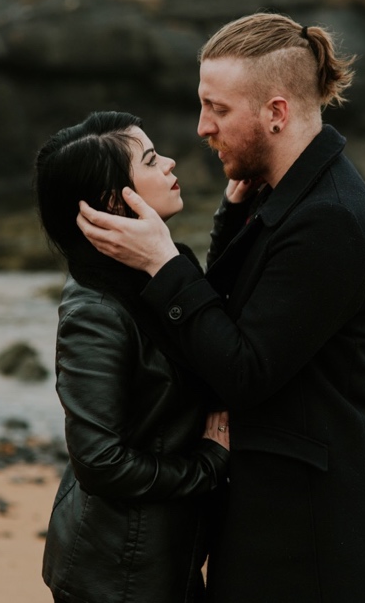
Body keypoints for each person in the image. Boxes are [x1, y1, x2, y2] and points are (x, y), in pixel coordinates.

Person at [77, 13, 365, 602]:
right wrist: (229, 223)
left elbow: (243, 371)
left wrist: (162, 263)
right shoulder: (283, 195)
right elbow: (235, 312)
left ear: (275, 113)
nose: (202, 127)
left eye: (218, 109)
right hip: (276, 521)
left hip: (316, 543)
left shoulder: (329, 217)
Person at [35, 111, 233, 603]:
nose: (169, 162)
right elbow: (99, 461)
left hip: (155, 559)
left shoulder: (153, 270)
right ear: (111, 201)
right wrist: (207, 466)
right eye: (149, 159)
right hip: (118, 575)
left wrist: (231, 216)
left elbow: (210, 325)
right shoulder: (94, 310)